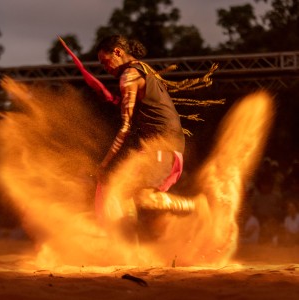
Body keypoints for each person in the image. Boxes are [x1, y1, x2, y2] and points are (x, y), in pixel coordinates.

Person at [59, 35, 218, 238]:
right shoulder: (141, 70)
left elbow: (125, 127)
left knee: (141, 197)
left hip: (162, 147)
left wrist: (105, 163)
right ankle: (129, 247)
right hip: (162, 147)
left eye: (105, 61)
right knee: (125, 193)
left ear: (117, 51)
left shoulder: (129, 76)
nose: (104, 67)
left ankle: (195, 206)